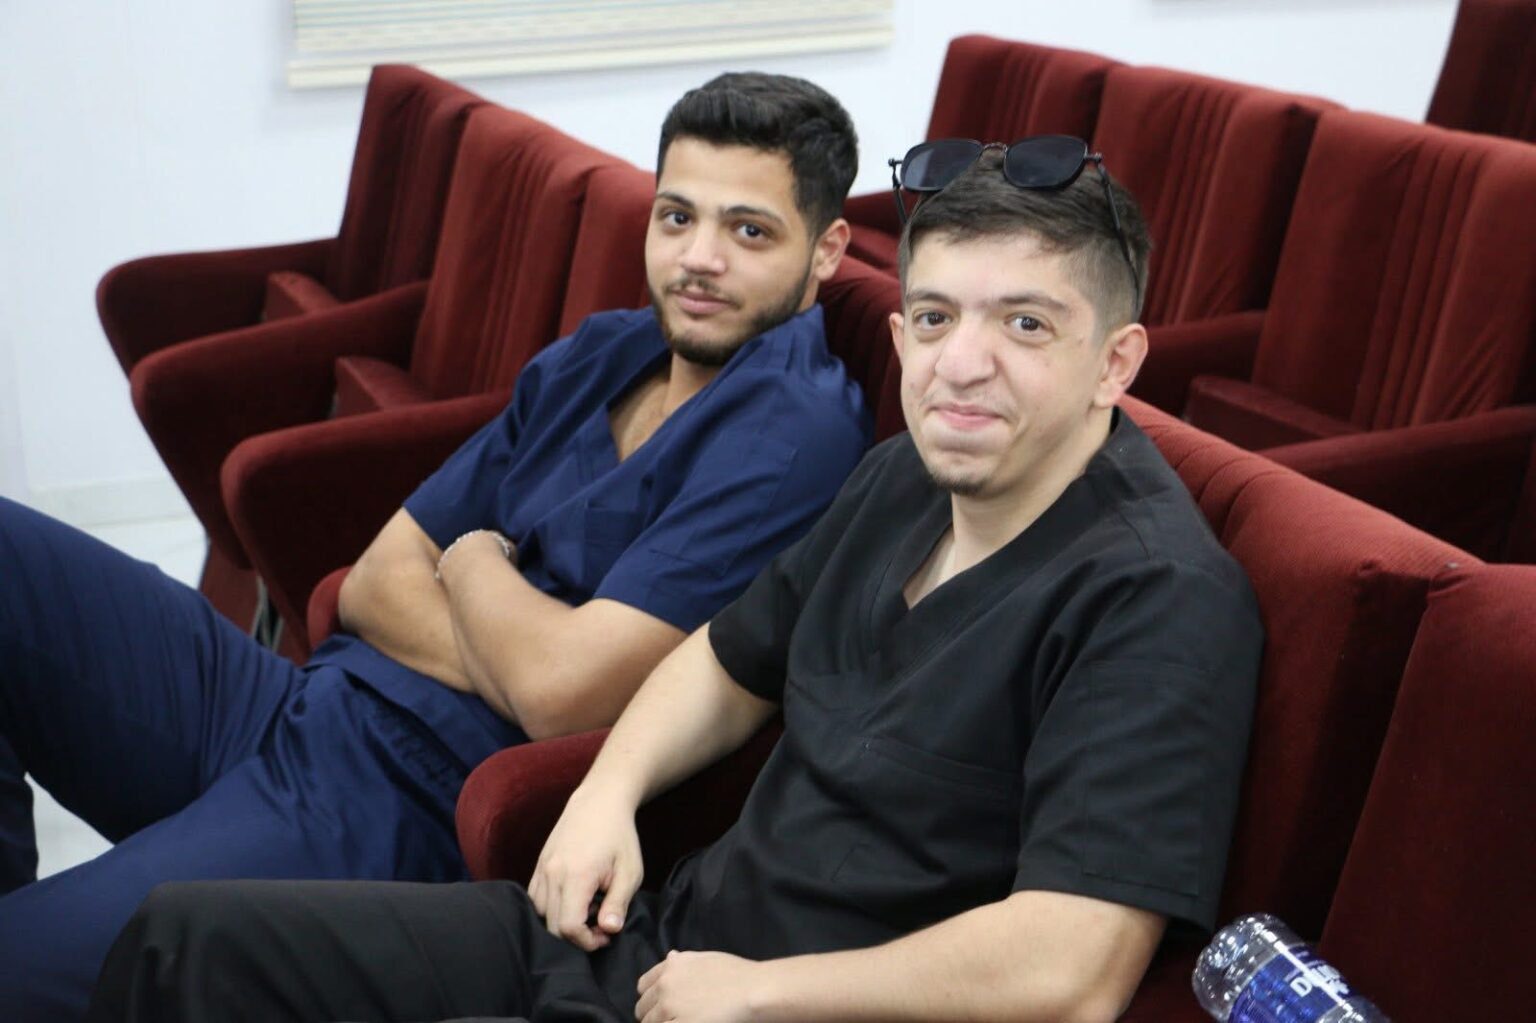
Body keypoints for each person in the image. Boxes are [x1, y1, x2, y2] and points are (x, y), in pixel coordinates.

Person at [89, 142, 1264, 1023]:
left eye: (1026, 325)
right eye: (934, 316)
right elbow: (724, 660)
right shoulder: (904, 477)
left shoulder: (1158, 597)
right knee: (181, 944)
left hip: (788, 1006)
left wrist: (759, 994)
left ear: (1116, 362)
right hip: (651, 948)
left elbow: (1073, 966)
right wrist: (607, 793)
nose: (962, 364)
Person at [0, 72, 870, 1022]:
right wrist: (514, 644)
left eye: (749, 231)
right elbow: (374, 581)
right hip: (302, 702)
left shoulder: (791, 432)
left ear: (826, 250)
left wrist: (468, 562)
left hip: (399, 799)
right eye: (677, 217)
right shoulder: (606, 350)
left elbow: (559, 694)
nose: (699, 258)